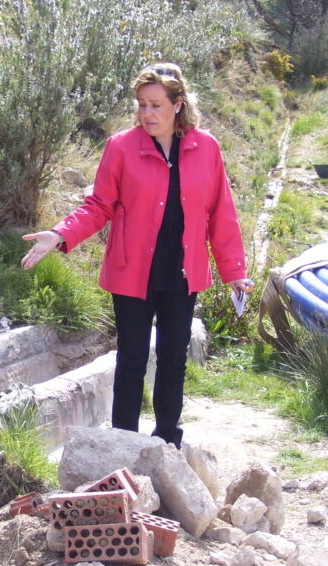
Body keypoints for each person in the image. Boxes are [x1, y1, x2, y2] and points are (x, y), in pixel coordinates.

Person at [21, 62, 253, 448]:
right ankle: (123, 442)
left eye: (156, 105)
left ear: (178, 104)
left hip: (182, 271)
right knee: (130, 358)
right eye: (142, 105)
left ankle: (167, 443)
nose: (147, 114)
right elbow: (98, 205)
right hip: (133, 270)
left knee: (173, 358)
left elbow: (221, 213)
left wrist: (234, 271)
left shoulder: (206, 147)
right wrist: (61, 234)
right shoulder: (121, 147)